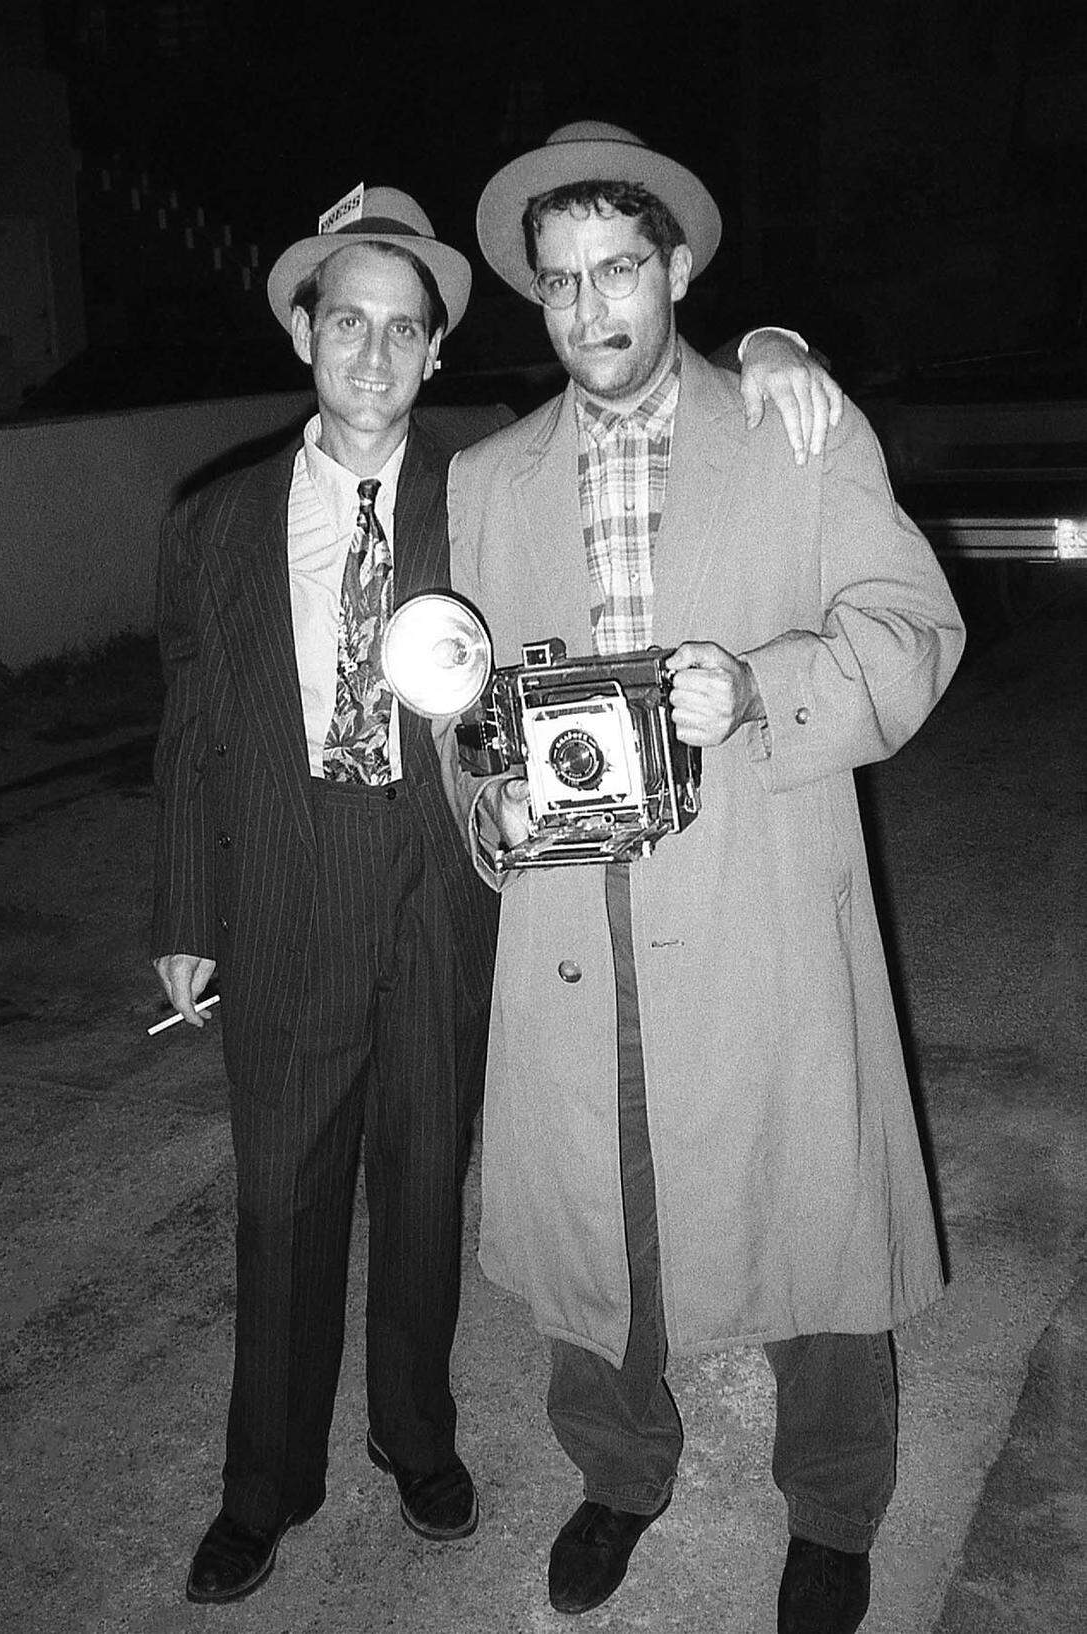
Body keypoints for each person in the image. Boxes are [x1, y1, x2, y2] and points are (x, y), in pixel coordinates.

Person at [151, 181, 843, 1607]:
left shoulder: (476, 485)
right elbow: (188, 724)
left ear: (439, 355)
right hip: (283, 903)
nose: (374, 353)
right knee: (281, 1208)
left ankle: (418, 1443)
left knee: (423, 1188)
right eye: (347, 321)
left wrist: (773, 343)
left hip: (445, 902)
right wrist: (183, 914)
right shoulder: (212, 524)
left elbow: (614, 481)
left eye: (405, 330)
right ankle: (262, 1487)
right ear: (302, 333)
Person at [439, 124, 965, 1634]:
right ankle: (618, 1472)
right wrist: (487, 791)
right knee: (593, 1208)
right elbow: (475, 711)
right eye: (557, 282)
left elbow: (913, 629)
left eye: (618, 268)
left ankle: (837, 1505)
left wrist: (763, 686)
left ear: (675, 268)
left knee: (808, 1197)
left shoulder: (796, 425)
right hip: (569, 913)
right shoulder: (488, 477)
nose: (590, 307)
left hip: (758, 887)